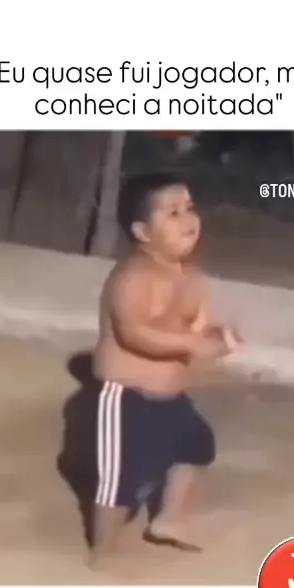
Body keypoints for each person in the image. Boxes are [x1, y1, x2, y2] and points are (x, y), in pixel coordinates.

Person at [88, 173, 242, 565]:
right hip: (127, 396)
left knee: (197, 446)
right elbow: (134, 332)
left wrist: (218, 337)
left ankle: (170, 520)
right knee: (120, 481)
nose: (188, 219)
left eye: (189, 208)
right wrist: (192, 344)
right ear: (142, 231)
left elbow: (195, 330)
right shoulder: (133, 275)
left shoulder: (191, 278)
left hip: (171, 398)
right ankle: (102, 553)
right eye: (172, 213)